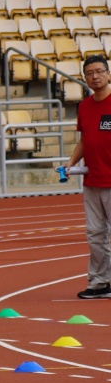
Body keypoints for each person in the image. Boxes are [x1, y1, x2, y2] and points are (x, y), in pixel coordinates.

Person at [67, 53, 111, 299]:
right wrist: (71, 162)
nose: (95, 77)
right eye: (90, 73)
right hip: (93, 180)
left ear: (108, 74)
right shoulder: (84, 106)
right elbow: (85, 140)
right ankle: (99, 282)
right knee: (95, 235)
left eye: (99, 72)